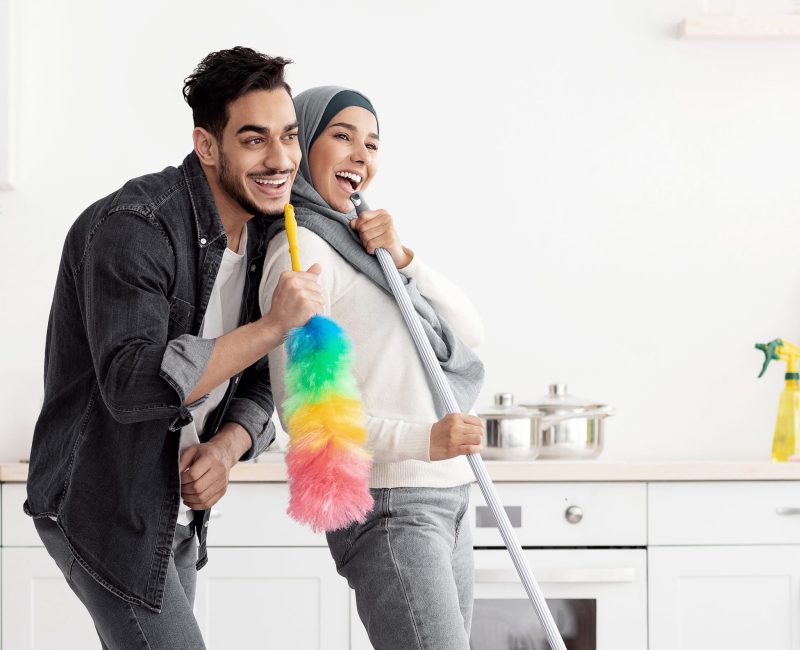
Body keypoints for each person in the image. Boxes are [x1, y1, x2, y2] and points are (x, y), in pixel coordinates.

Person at [24, 47, 323, 649]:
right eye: (255, 139)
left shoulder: (272, 234)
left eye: (289, 137)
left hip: (177, 506)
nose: (281, 159)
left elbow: (266, 378)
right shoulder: (134, 225)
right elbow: (135, 385)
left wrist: (227, 447)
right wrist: (272, 326)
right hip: (105, 504)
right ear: (207, 146)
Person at [259, 86, 486, 650]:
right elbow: (310, 420)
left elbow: (468, 332)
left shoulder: (367, 252)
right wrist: (425, 439)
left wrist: (406, 257)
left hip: (451, 495)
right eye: (342, 136)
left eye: (372, 144)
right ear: (304, 144)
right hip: (393, 504)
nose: (361, 154)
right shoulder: (300, 252)